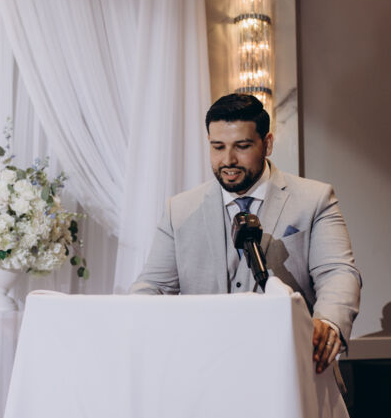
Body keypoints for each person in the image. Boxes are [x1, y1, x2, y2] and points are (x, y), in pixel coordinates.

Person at [130, 93, 361, 374]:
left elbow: (337, 272)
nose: (228, 160)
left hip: (293, 369)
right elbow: (152, 287)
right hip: (204, 372)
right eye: (218, 147)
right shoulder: (178, 210)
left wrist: (329, 322)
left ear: (268, 143)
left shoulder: (315, 199)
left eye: (242, 146)